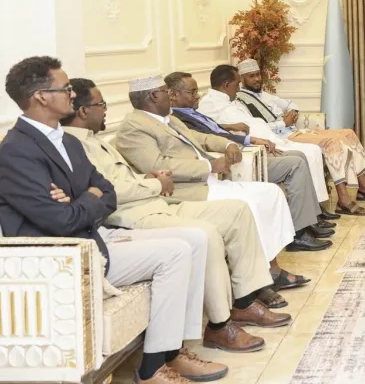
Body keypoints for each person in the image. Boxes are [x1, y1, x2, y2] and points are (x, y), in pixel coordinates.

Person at [0, 57, 224, 384]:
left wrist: (82, 199)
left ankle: (174, 352)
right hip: (64, 260)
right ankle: (150, 374)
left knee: (191, 239)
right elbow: (60, 221)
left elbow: (108, 192)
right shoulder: (16, 152)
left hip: (92, 238)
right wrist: (88, 198)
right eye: (65, 88)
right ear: (41, 96)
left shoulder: (68, 142)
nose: (72, 94)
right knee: (175, 252)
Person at [62, 78, 288, 352]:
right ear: (83, 111)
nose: (106, 110)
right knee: (206, 234)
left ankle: (244, 301)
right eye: (102, 104)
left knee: (237, 211)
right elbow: (108, 191)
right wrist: (156, 183)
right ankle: (219, 326)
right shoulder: (76, 145)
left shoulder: (94, 139)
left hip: (155, 202)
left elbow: (122, 178)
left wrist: (148, 179)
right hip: (135, 214)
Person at [114, 75, 328, 287]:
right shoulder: (133, 127)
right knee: (251, 204)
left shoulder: (169, 119)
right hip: (186, 190)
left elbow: (201, 138)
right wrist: (210, 166)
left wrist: (227, 145)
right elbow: (157, 165)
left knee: (271, 193)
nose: (170, 96)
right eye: (165, 91)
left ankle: (270, 267)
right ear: (153, 96)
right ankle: (265, 275)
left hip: (209, 182)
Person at [165, 71, 338, 237]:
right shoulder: (178, 119)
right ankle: (300, 232)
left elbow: (212, 129)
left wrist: (230, 128)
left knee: (298, 155)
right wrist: (248, 139)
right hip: (239, 158)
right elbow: (206, 137)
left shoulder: (192, 112)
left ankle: (310, 221)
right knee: (296, 163)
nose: (198, 96)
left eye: (197, 91)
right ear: (173, 95)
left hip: (247, 149)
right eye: (192, 92)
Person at [234, 59, 365, 216]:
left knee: (348, 133)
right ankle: (343, 200)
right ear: (241, 79)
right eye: (251, 76)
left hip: (296, 131)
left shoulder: (265, 95)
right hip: (283, 138)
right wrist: (283, 123)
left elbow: (291, 104)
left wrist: (292, 112)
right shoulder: (240, 102)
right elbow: (255, 128)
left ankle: (364, 188)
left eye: (258, 75)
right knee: (331, 142)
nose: (257, 79)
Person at [197, 65, 331, 208]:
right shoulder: (210, 104)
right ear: (226, 85)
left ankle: (317, 207)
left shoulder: (231, 99)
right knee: (305, 155)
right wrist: (232, 128)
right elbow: (209, 129)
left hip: (269, 138)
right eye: (237, 83)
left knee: (311, 151)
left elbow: (247, 123)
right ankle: (313, 210)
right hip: (255, 147)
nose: (239, 88)